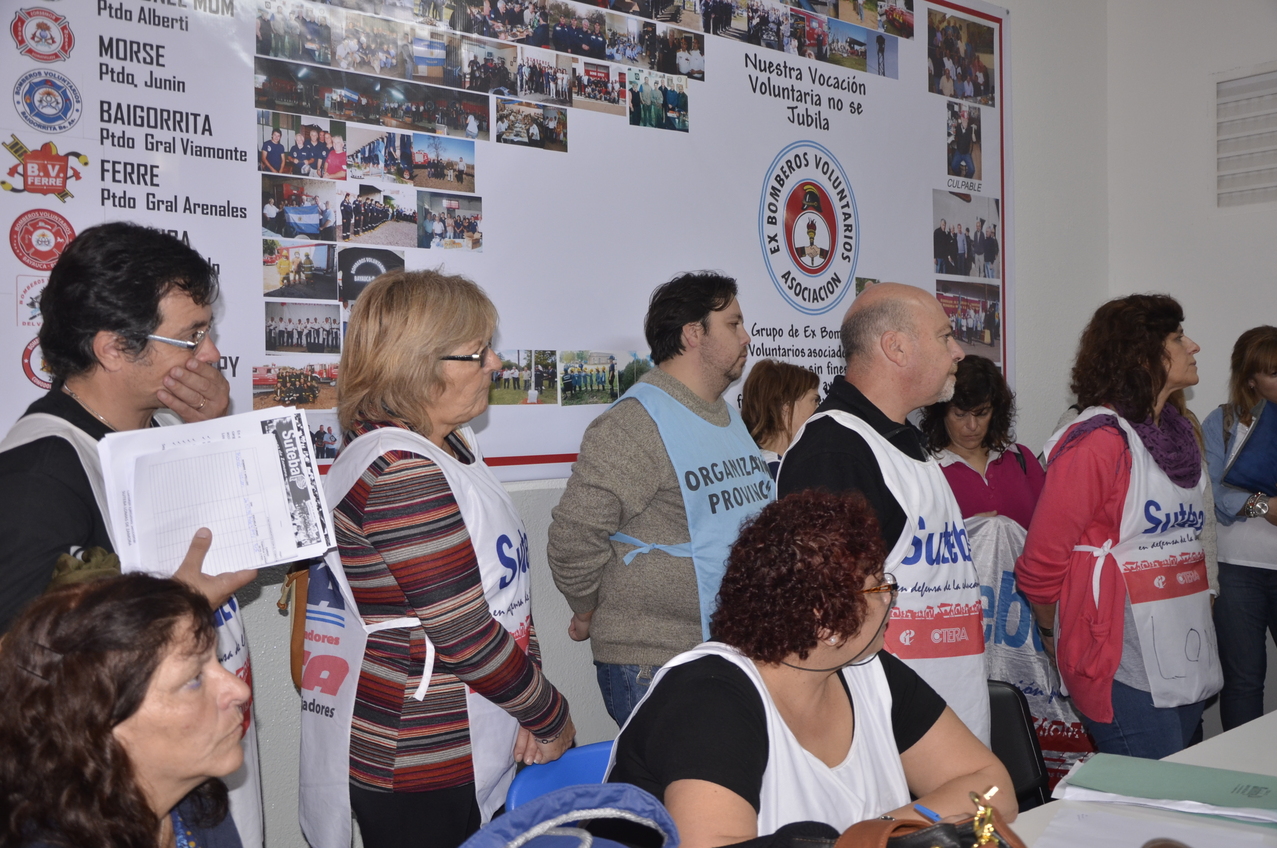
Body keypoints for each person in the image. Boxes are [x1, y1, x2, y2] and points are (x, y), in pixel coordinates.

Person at [0, 222, 262, 846]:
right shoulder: (42, 471)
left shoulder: (159, 434)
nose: (210, 354)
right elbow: (28, 669)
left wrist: (211, 435)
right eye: (191, 336)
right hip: (103, 805)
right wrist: (181, 604)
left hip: (190, 779)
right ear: (115, 348)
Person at [299, 270, 574, 848]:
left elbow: (506, 594)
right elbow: (465, 634)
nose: (496, 363)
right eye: (478, 351)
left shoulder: (451, 446)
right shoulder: (400, 471)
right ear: (419, 366)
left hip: (479, 724)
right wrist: (549, 714)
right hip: (424, 755)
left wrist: (526, 702)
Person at [607, 491, 1015, 848]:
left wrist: (877, 832)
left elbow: (993, 786)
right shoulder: (708, 701)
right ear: (825, 622)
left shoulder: (868, 670)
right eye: (878, 586)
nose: (891, 596)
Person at [548, 272, 773, 727]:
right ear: (693, 334)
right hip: (657, 664)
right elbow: (573, 536)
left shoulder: (726, 416)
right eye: (733, 324)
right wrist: (587, 608)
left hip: (730, 652)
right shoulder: (635, 424)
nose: (747, 336)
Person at [777, 283, 989, 743]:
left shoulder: (903, 438)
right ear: (896, 347)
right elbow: (830, 618)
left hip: (946, 713)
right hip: (888, 730)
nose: (957, 351)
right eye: (944, 337)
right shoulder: (834, 453)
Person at [1017, 294, 1222, 758]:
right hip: (1120, 667)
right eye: (1178, 338)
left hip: (1184, 651)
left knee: (1177, 784)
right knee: (1151, 794)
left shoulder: (1180, 435)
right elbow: (1041, 564)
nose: (1193, 346)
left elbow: (1196, 536)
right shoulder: (1098, 442)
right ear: (1142, 354)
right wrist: (1055, 638)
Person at [0, 574, 252, 848]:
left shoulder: (197, 804)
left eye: (216, 659)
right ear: (98, 726)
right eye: (193, 679)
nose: (239, 690)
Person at [1204, 325, 1277, 731]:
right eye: (1275, 372)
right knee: (1244, 683)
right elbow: (1213, 492)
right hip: (1237, 571)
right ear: (1250, 378)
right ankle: (1240, 766)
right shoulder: (1224, 421)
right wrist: (1264, 506)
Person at [921, 355, 1044, 530]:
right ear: (941, 413)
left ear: (995, 412)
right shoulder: (927, 469)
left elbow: (1051, 525)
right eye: (960, 415)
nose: (972, 426)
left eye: (982, 413)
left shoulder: (1020, 458)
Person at [740, 358, 820, 479]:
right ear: (786, 405)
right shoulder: (779, 475)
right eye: (814, 401)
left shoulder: (751, 464)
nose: (819, 410)